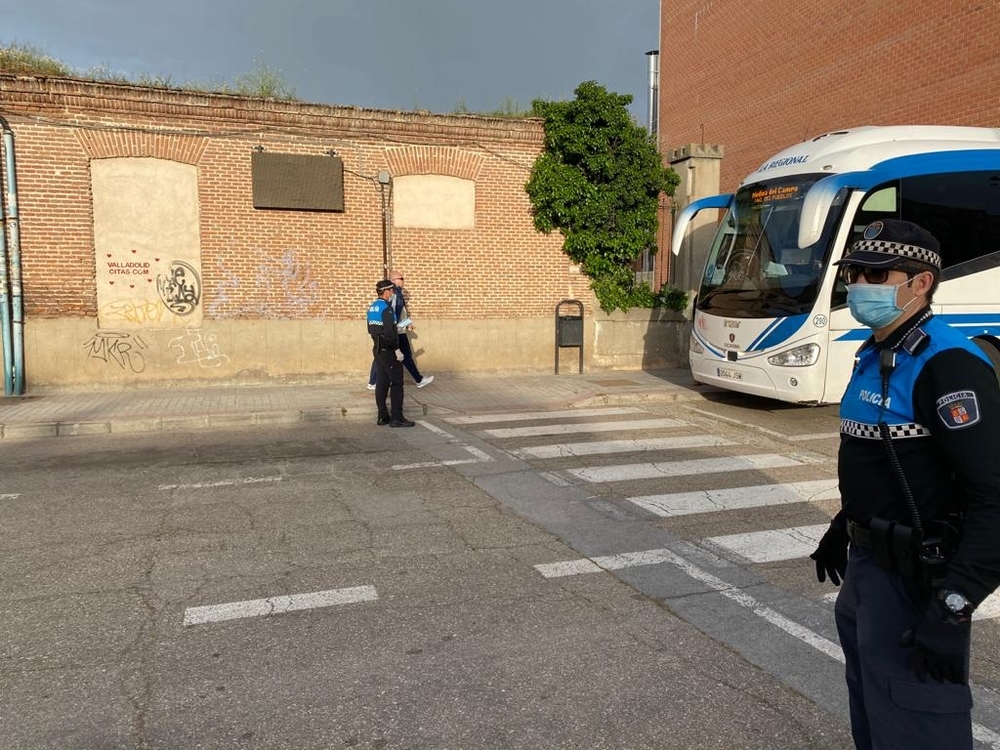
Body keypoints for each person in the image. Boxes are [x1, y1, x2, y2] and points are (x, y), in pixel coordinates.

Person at [810, 219, 1000, 749]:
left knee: (917, 723)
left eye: (875, 273)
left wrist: (955, 604)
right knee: (874, 713)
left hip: (920, 582)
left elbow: (994, 494)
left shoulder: (949, 365)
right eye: (854, 272)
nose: (859, 285)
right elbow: (887, 463)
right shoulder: (873, 353)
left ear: (921, 284)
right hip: (870, 568)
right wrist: (844, 524)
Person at [366, 269, 433, 390]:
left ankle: (373, 381)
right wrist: (400, 325)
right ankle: (418, 380)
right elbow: (391, 313)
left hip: (396, 329)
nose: (403, 281)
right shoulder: (393, 294)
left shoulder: (397, 294)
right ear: (393, 281)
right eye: (401, 279)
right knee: (396, 355)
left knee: (382, 354)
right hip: (396, 331)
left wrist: (406, 323)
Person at [366, 278, 414, 428]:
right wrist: (397, 350)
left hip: (378, 349)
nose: (393, 292)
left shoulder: (372, 307)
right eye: (391, 290)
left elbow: (371, 330)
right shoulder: (387, 309)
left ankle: (382, 416)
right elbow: (390, 332)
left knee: (382, 382)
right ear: (386, 292)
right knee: (397, 383)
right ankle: (397, 417)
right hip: (389, 350)